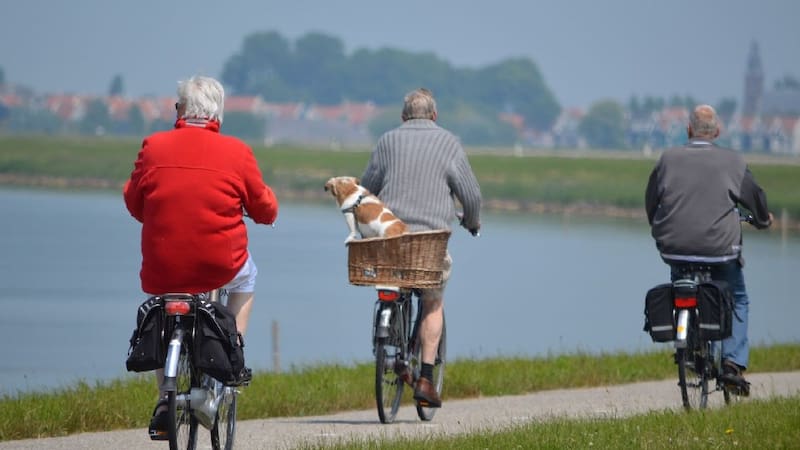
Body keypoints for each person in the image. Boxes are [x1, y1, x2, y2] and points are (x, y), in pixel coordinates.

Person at [123, 75, 279, 439]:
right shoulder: (238, 152)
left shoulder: (153, 146)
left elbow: (133, 201)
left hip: (163, 264)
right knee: (248, 277)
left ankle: (165, 398)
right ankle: (232, 352)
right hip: (219, 263)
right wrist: (266, 210)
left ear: (180, 110)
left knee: (164, 307)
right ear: (218, 114)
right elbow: (264, 207)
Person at [360, 88, 482, 407]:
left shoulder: (387, 141)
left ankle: (391, 340)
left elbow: (365, 190)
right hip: (430, 244)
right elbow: (471, 196)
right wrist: (472, 221)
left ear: (403, 117)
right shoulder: (449, 143)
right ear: (434, 116)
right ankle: (426, 378)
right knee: (432, 302)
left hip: (390, 241)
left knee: (392, 284)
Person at [645, 104, 772, 391]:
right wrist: (764, 220)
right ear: (717, 132)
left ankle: (690, 346)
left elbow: (651, 199)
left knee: (682, 285)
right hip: (720, 251)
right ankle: (732, 364)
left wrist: (658, 225)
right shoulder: (733, 161)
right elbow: (755, 198)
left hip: (675, 247)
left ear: (688, 130)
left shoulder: (667, 159)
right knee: (737, 298)